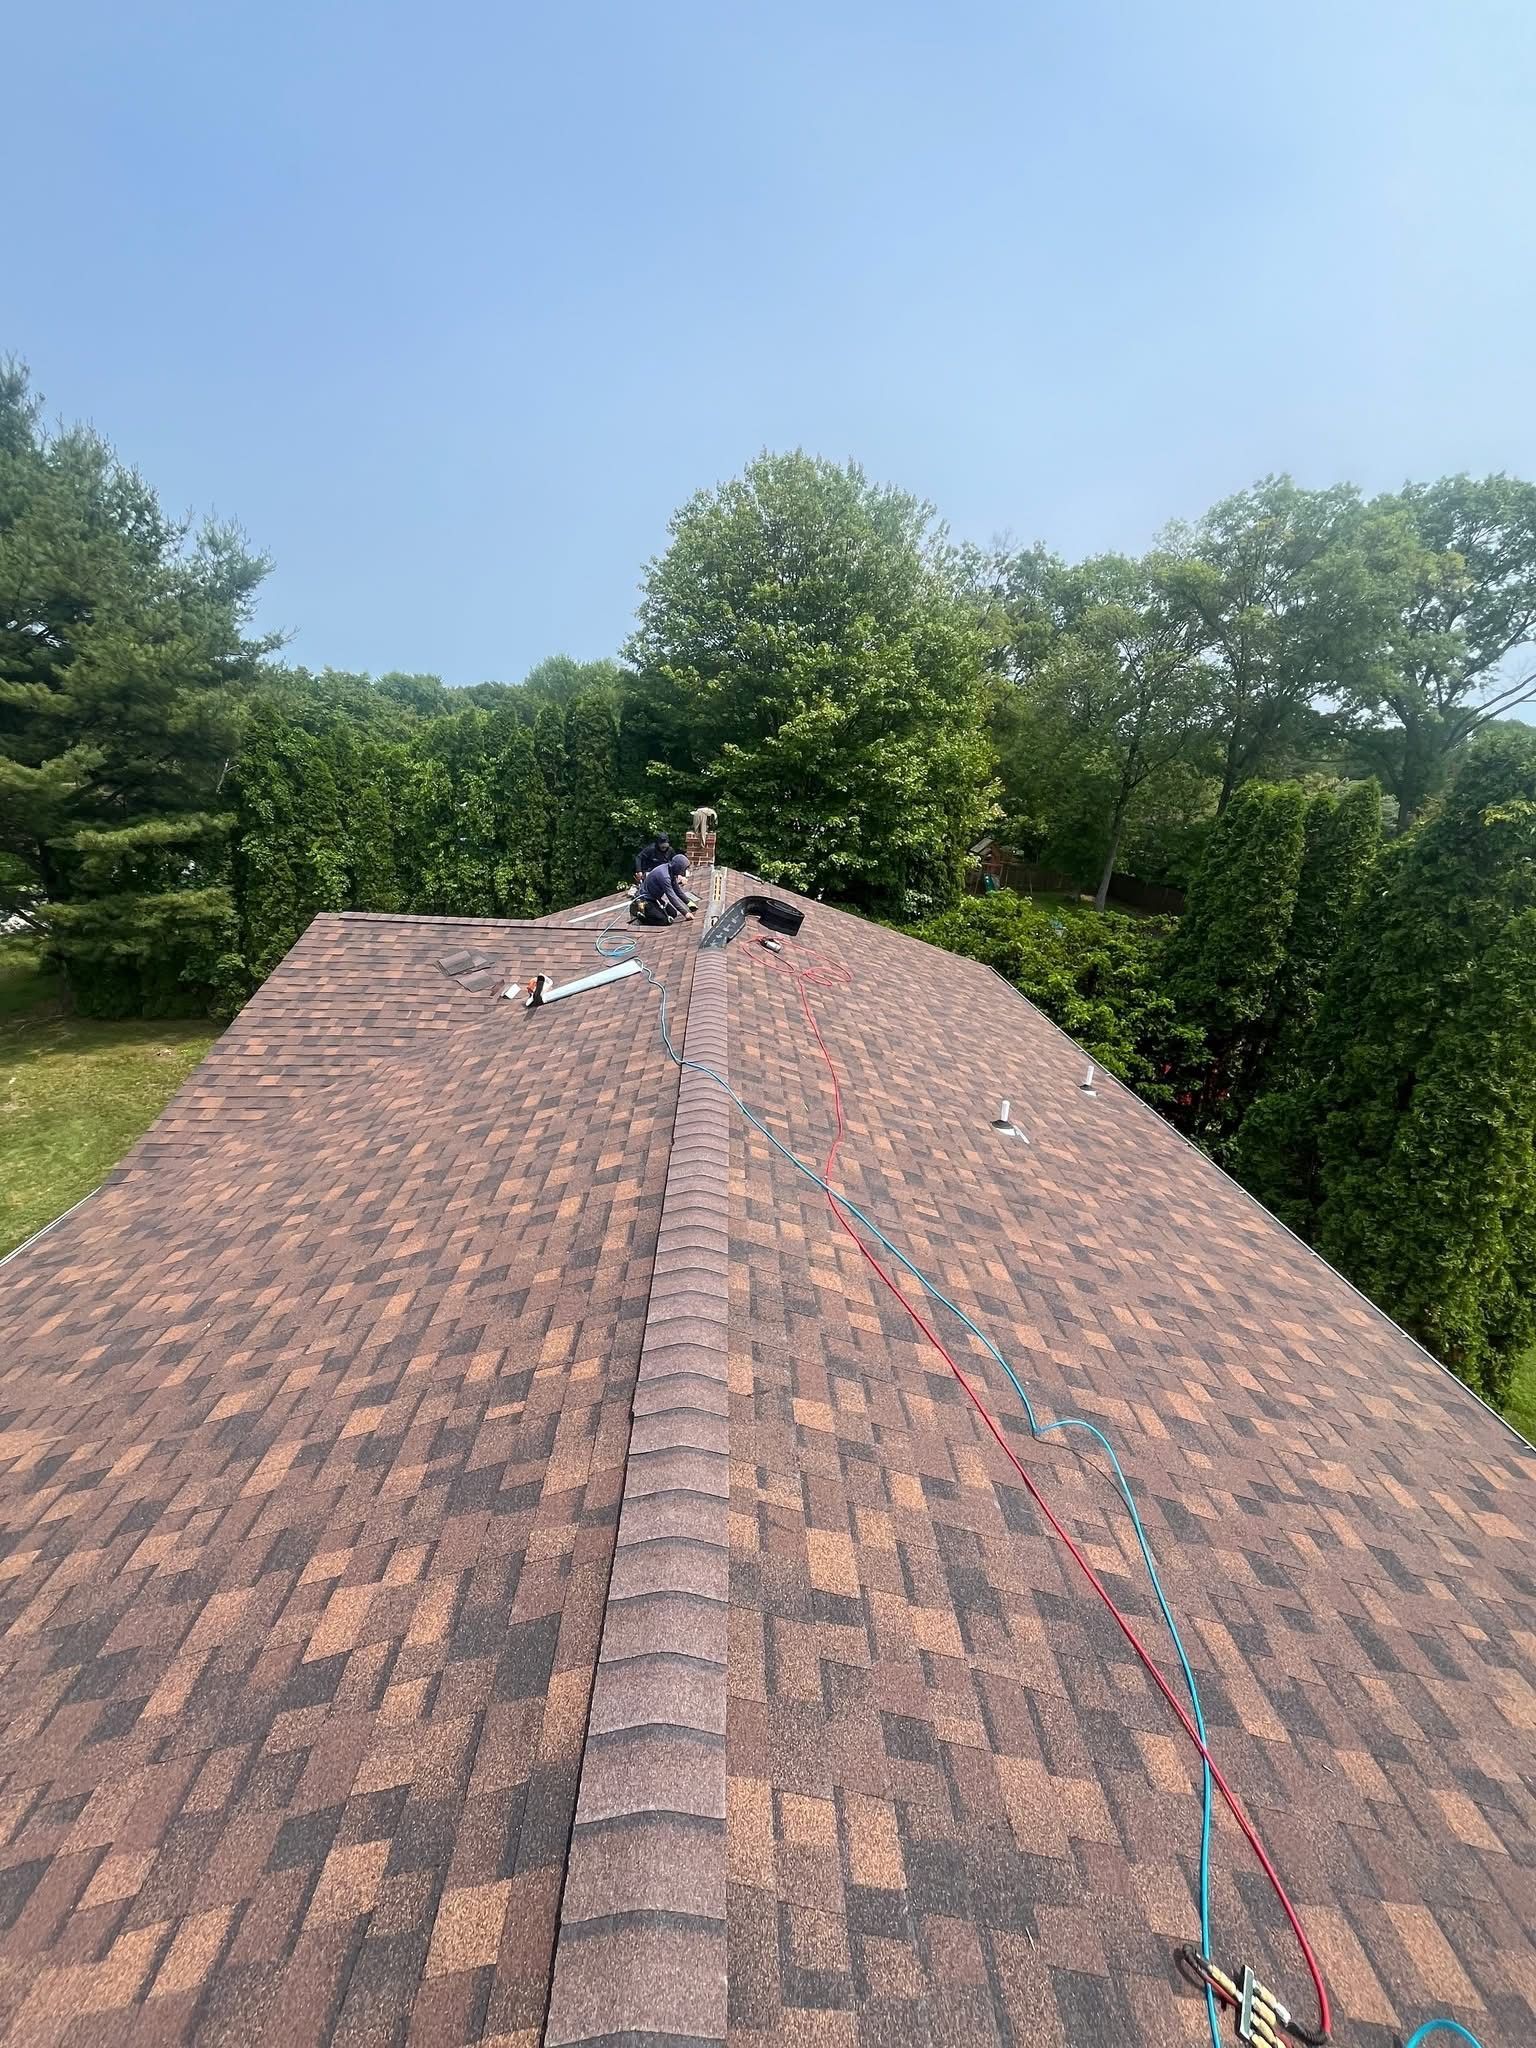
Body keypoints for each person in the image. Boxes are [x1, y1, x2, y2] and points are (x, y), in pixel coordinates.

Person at [633, 853, 694, 925]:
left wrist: (689, 903)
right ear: (678, 867)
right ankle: (642, 916)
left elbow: (677, 891)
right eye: (683, 869)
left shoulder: (671, 871)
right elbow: (671, 897)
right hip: (645, 900)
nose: (684, 871)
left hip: (655, 899)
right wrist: (685, 913)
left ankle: (653, 913)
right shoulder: (665, 877)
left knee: (673, 914)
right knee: (664, 921)